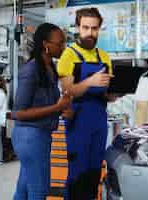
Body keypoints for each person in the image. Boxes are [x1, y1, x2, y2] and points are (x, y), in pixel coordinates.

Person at [57, 7, 115, 200]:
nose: (90, 33)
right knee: (77, 173)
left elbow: (106, 93)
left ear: (100, 29)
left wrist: (114, 94)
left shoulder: (105, 57)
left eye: (95, 28)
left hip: (99, 119)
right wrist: (90, 82)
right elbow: (68, 90)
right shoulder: (68, 55)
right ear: (77, 27)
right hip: (77, 122)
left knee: (94, 171)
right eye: (86, 28)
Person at [11, 23, 72, 200]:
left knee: (23, 189)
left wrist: (61, 111)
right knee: (39, 190)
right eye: (60, 43)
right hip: (30, 136)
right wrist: (57, 107)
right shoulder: (31, 70)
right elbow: (19, 113)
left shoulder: (49, 69)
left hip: (40, 135)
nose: (63, 47)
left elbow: (43, 105)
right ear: (46, 44)